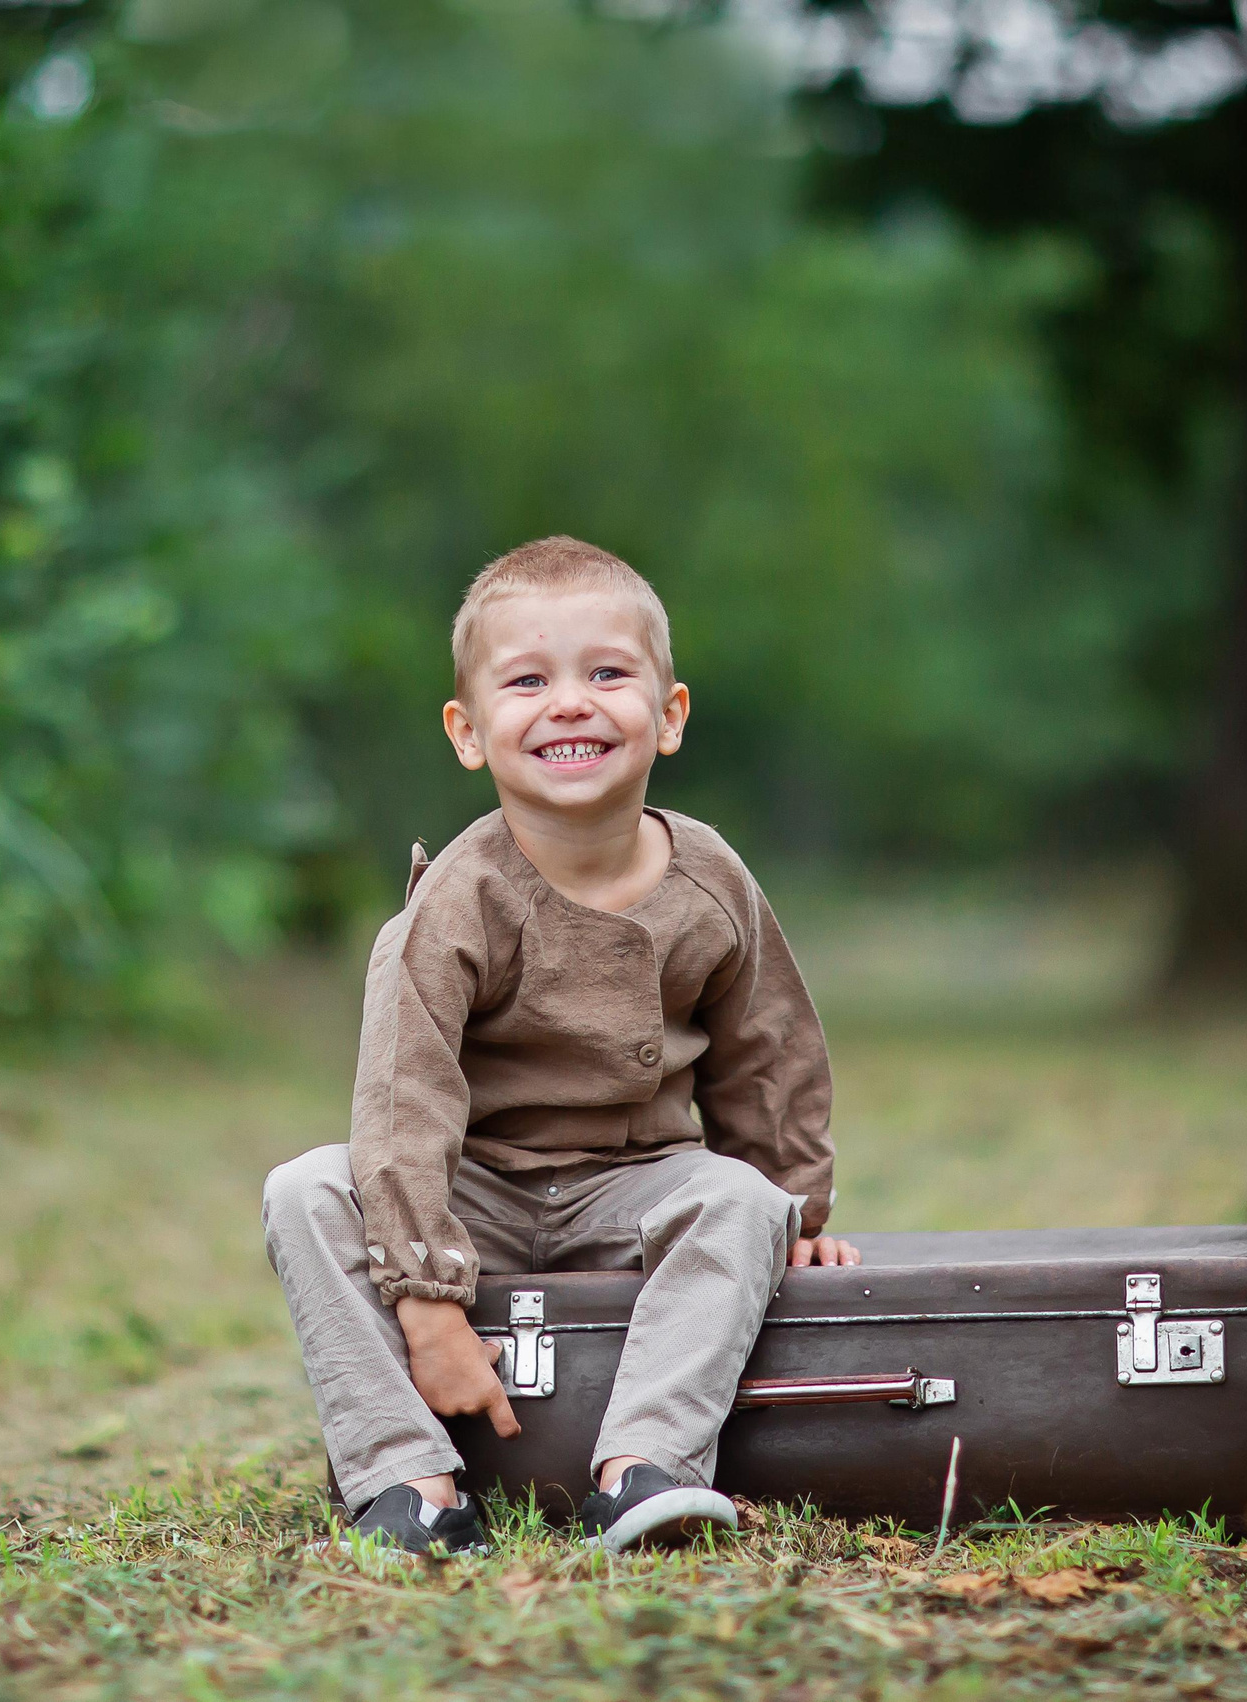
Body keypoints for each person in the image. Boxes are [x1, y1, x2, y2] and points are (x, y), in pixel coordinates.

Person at [262, 535, 858, 1557]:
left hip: (632, 1186)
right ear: (469, 730)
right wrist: (428, 1303)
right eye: (528, 680)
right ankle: (410, 1482)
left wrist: (792, 1211)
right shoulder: (457, 899)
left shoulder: (707, 877)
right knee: (305, 1191)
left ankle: (643, 1469)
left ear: (667, 715)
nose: (571, 702)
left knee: (742, 1198)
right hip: (472, 1191)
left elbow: (770, 1053)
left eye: (608, 674)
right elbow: (403, 1106)